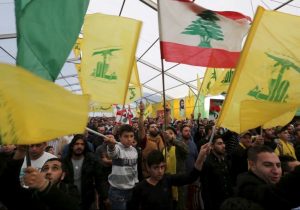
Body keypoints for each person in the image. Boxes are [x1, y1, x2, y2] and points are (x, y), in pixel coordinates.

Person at [127, 143, 211, 210]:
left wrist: (200, 156)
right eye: (155, 167)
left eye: (162, 167)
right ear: (148, 168)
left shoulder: (167, 179)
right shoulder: (140, 188)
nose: (160, 171)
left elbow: (191, 177)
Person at [0, 146, 79, 210]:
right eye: (45, 168)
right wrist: (20, 152)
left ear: (63, 176)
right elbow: (7, 193)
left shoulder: (70, 190)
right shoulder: (32, 193)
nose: (48, 172)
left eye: (55, 168)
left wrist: (43, 185)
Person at [235, 145, 300, 210]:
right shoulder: (247, 188)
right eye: (268, 165)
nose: (276, 171)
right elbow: (275, 196)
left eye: (278, 165)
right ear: (252, 165)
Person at [63, 134, 103, 210]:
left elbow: (99, 180)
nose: (79, 146)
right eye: (77, 144)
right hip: (69, 198)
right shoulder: (65, 161)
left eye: (82, 144)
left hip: (87, 199)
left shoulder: (92, 161)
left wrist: (104, 197)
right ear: (72, 146)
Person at [105, 124, 139, 210]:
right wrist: (111, 145)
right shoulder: (117, 148)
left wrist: (136, 182)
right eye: (126, 136)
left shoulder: (134, 150)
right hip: (117, 191)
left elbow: (134, 169)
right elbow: (112, 153)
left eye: (131, 136)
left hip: (131, 189)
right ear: (119, 137)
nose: (129, 139)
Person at [200, 136, 233, 210]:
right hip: (215, 203)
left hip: (227, 201)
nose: (223, 145)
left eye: (223, 143)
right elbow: (205, 188)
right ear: (212, 146)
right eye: (219, 143)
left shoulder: (225, 160)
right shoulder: (207, 163)